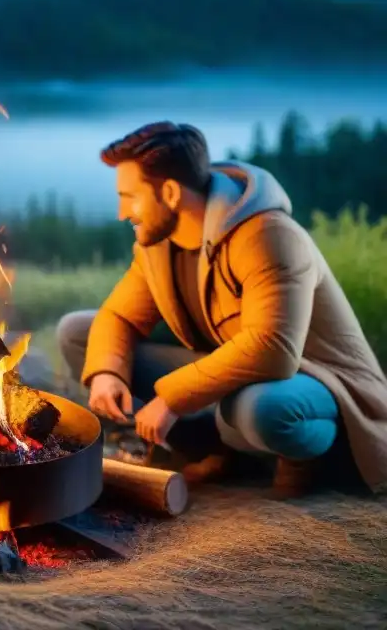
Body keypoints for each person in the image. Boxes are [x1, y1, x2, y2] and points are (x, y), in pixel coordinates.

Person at [56, 121, 387, 498]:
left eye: (130, 196)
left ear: (170, 192)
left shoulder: (268, 235)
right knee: (79, 333)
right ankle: (221, 451)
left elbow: (273, 350)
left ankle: (313, 459)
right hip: (233, 372)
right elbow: (118, 316)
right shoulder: (157, 244)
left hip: (320, 382)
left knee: (260, 409)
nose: (121, 212)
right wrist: (106, 373)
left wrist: (172, 398)